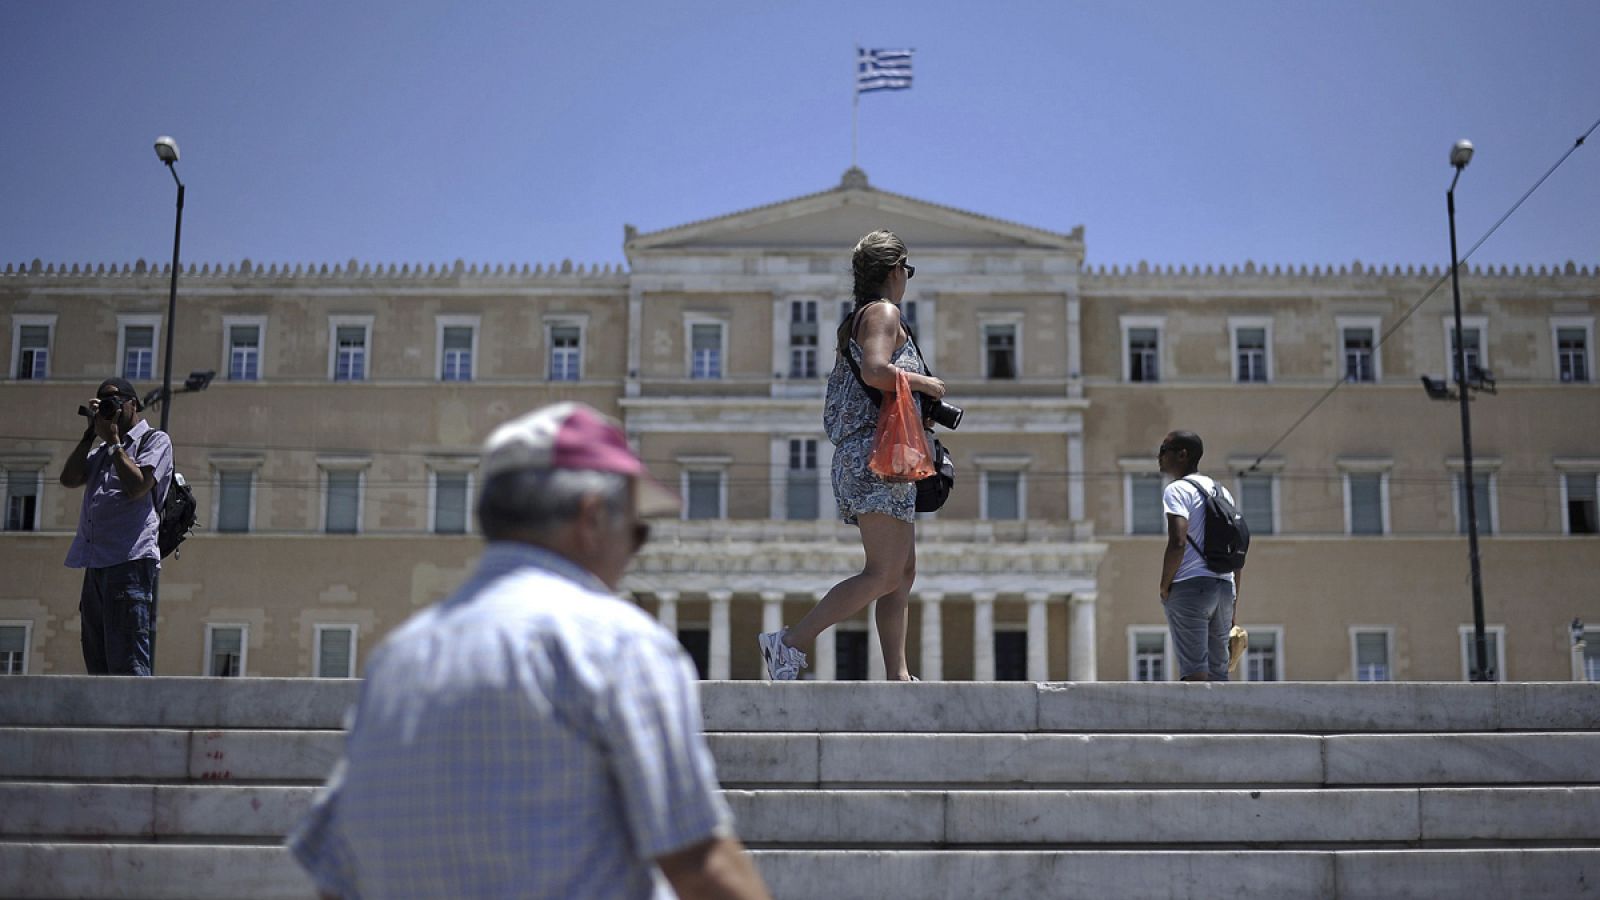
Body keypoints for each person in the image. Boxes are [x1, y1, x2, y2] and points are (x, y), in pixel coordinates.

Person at [288, 402, 771, 900]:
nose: (635, 552)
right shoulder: (616, 643)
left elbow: (335, 879)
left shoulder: (396, 659)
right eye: (637, 530)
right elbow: (698, 864)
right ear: (591, 518)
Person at [758, 230, 945, 681]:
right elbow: (876, 370)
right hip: (873, 455)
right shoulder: (883, 312)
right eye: (907, 271)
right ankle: (788, 644)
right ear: (896, 270)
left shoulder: (861, 316)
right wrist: (926, 384)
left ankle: (898, 674)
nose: (907, 279)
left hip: (883, 456)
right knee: (883, 572)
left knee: (903, 572)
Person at [58, 377, 172, 676]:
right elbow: (68, 479)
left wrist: (113, 442)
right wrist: (89, 436)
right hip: (95, 562)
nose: (108, 409)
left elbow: (138, 487)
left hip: (130, 560)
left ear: (132, 404)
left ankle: (136, 722)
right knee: (97, 658)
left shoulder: (154, 441)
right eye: (101, 403)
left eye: (112, 401)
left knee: (128, 660)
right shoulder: (101, 452)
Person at [1156, 430, 1243, 682]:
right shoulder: (1222, 492)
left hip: (1191, 587)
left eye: (1163, 450)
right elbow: (1236, 548)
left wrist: (1165, 585)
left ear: (1182, 455)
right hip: (1224, 587)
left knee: (1194, 673)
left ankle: (1196, 723)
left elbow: (1178, 541)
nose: (1158, 457)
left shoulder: (1177, 490)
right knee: (1219, 674)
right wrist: (1233, 596)